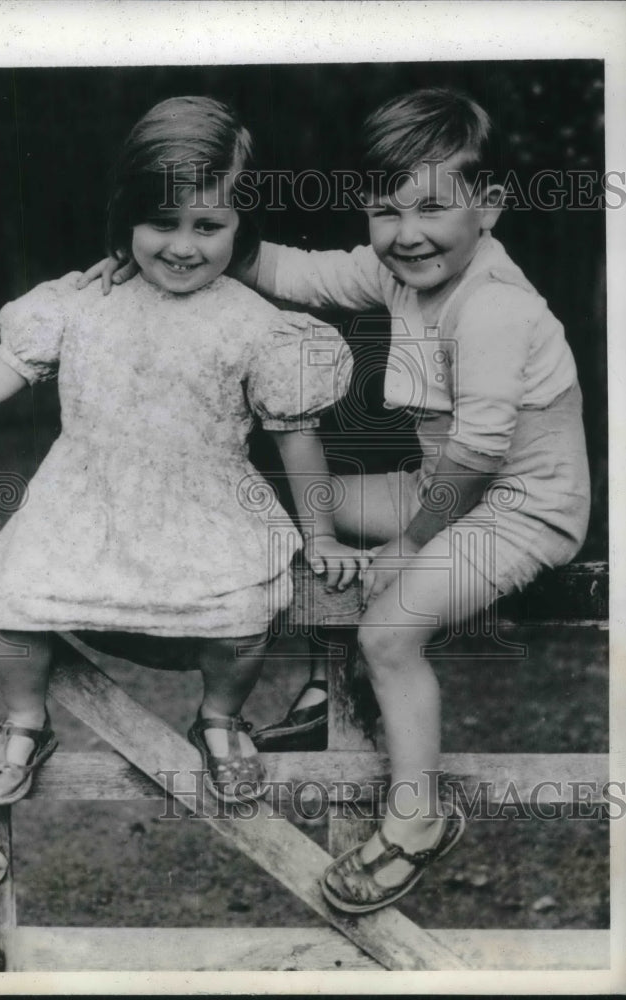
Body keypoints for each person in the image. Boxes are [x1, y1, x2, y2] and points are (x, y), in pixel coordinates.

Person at [81, 88, 591, 910]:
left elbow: (479, 451)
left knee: (392, 631)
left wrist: (412, 543)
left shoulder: (494, 307)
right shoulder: (396, 272)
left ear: (488, 208)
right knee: (292, 514)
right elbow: (287, 269)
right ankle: (326, 693)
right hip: (443, 491)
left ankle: (417, 820)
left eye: (432, 207)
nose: (407, 232)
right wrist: (181, 243)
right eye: (385, 211)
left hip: (522, 506)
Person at [0, 96, 366, 808]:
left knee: (244, 615)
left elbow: (295, 435)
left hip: (204, 509)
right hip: (85, 503)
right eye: (161, 223)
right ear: (126, 217)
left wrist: (320, 533)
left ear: (239, 227)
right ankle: (27, 720)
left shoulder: (256, 327)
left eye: (207, 226)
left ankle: (219, 719)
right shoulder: (83, 301)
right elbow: (1, 368)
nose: (183, 246)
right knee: (3, 591)